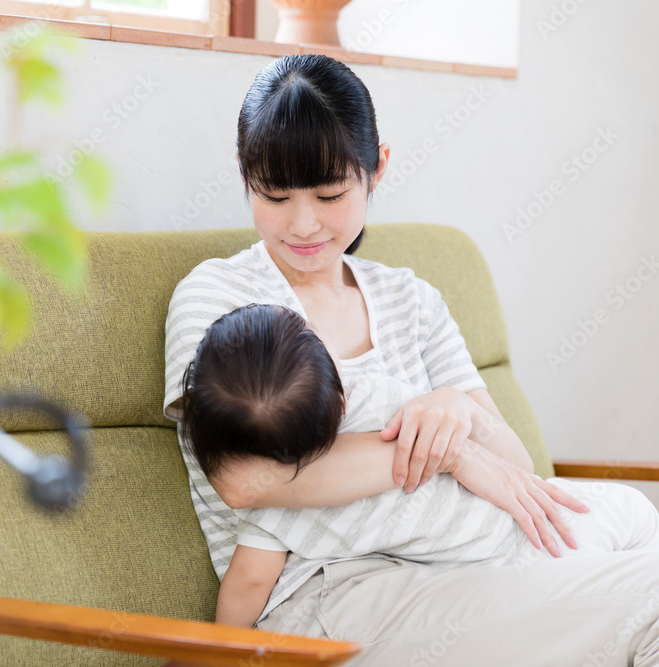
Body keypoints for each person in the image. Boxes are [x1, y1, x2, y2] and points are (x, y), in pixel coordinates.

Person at [163, 53, 659, 666]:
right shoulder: (220, 298)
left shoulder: (412, 299)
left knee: (638, 517)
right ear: (245, 176)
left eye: (329, 193)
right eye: (274, 194)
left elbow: (515, 467)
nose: (303, 222)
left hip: (466, 552)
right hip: (334, 588)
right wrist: (451, 452)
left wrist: (454, 409)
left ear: (377, 171)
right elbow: (248, 479)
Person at [179, 302, 659, 630]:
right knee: (633, 520)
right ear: (338, 396)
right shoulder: (392, 400)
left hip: (509, 556)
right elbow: (515, 464)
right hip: (545, 525)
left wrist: (227, 647)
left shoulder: (277, 506)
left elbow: (249, 583)